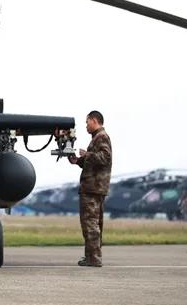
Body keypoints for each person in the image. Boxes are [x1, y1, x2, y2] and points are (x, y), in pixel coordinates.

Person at [68, 110, 112, 267]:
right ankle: (91, 256)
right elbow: (95, 163)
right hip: (94, 187)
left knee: (90, 224)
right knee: (93, 223)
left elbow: (105, 158)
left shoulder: (102, 137)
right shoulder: (97, 138)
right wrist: (78, 161)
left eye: (87, 122)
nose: (86, 125)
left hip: (93, 188)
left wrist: (87, 155)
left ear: (94, 120)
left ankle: (94, 258)